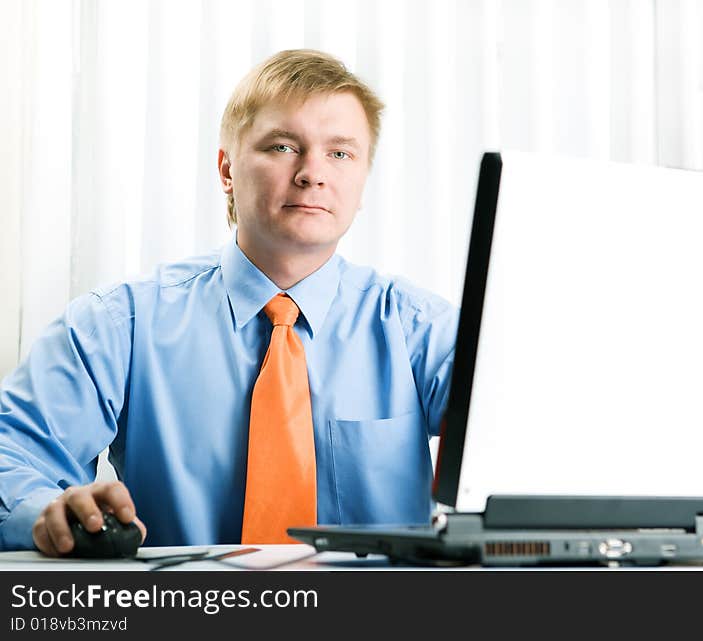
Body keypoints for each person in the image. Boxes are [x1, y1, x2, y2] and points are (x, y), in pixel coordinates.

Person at [0, 49, 459, 555]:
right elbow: (13, 459)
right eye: (283, 147)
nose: (312, 173)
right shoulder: (116, 325)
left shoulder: (422, 330)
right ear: (226, 170)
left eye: (340, 153)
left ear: (363, 179)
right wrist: (49, 512)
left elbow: (516, 442)